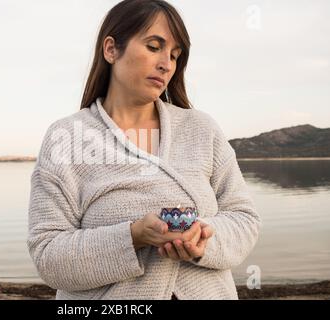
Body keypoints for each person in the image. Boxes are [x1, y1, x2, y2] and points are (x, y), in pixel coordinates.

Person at [27, 0, 261, 300]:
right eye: (154, 47)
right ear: (111, 49)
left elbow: (245, 219)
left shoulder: (202, 129)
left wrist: (201, 238)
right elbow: (48, 256)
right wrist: (133, 236)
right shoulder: (66, 137)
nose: (167, 64)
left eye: (175, 55)